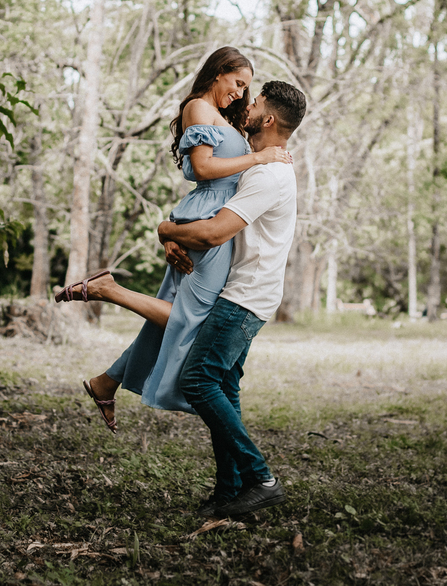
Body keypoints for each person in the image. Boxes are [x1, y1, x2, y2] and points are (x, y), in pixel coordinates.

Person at [60, 79, 307, 519]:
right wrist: (173, 235)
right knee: (224, 389)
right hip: (246, 292)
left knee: (198, 382)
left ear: (269, 119)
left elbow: (214, 232)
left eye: (257, 102)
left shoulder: (270, 174)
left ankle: (261, 478)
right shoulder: (259, 166)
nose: (247, 106)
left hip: (244, 298)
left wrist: (166, 230)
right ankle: (230, 490)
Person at [56, 46, 291, 431]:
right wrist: (258, 159)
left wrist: (170, 229)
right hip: (209, 221)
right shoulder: (198, 107)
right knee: (194, 318)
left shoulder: (223, 117)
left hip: (210, 216)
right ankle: (107, 290)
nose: (240, 93)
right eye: (237, 83)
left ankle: (106, 382)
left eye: (246, 88)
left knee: (171, 312)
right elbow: (202, 168)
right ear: (217, 73)